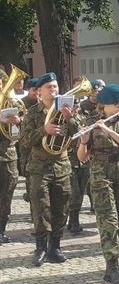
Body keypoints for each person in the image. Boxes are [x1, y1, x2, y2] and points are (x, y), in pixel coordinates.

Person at [77, 84, 119, 284]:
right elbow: (81, 157)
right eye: (117, 102)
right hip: (100, 170)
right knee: (108, 219)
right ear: (105, 105)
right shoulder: (89, 122)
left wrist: (108, 130)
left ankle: (112, 263)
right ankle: (113, 266)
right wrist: (85, 142)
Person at [20, 72, 80, 266]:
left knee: (61, 207)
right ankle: (40, 248)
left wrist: (70, 119)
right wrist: (43, 130)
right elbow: (25, 140)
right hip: (39, 167)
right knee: (41, 207)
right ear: (39, 91)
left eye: (55, 87)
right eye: (49, 88)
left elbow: (79, 135)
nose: (53, 90)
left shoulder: (66, 109)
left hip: (61, 165)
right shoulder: (32, 113)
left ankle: (55, 247)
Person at [0, 70, 24, 244]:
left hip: (8, 156)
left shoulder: (13, 103)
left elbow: (27, 130)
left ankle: (1, 230)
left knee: (6, 195)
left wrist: (19, 122)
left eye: (1, 82)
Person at [66, 96, 88, 234]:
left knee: (80, 191)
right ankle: (72, 220)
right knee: (73, 193)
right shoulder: (63, 120)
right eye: (75, 106)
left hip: (82, 161)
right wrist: (69, 118)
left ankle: (75, 219)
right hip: (69, 160)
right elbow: (75, 131)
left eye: (78, 106)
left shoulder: (81, 118)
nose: (77, 109)